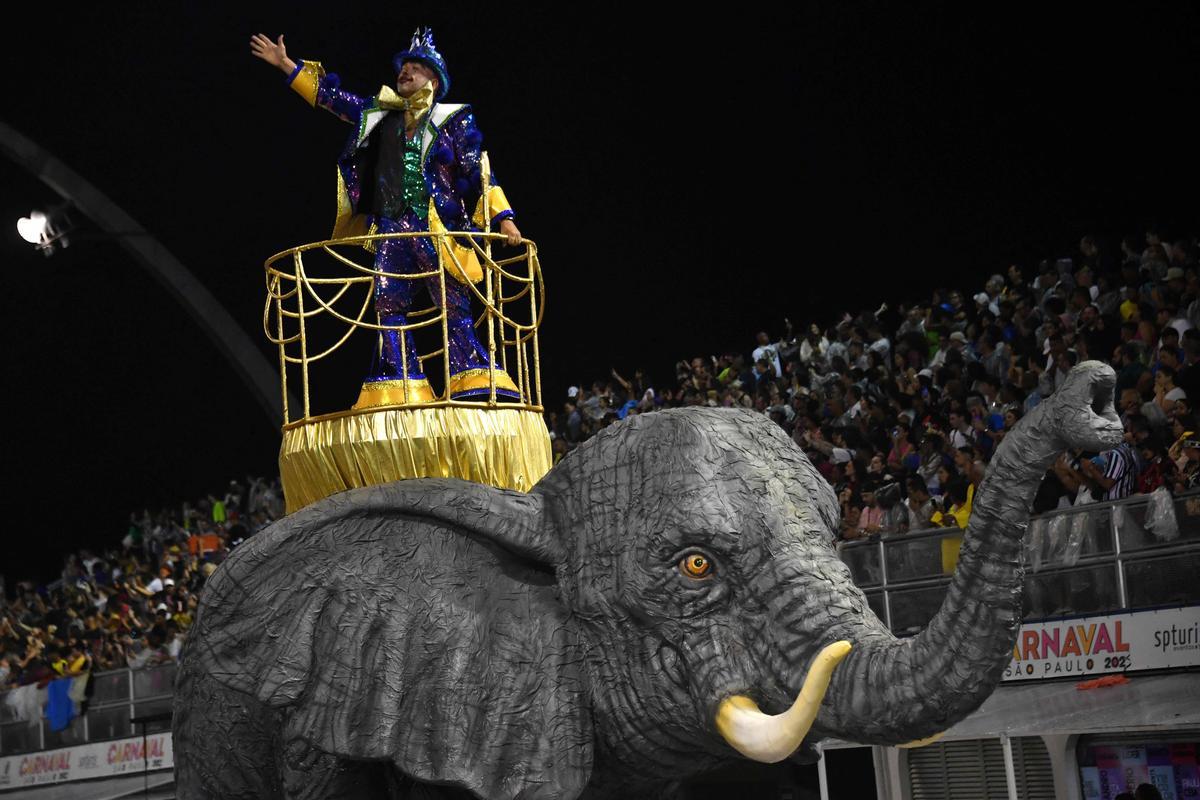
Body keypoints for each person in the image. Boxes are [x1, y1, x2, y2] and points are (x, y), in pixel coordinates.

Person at [250, 28, 523, 404]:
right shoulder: (381, 113)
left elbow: (478, 172)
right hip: (392, 229)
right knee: (388, 305)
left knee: (452, 302)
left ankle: (470, 375)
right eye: (403, 67)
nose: (405, 72)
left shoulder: (452, 118)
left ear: (433, 78)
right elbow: (335, 100)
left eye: (415, 67)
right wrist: (286, 65)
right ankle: (401, 382)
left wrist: (504, 218)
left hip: (437, 227)